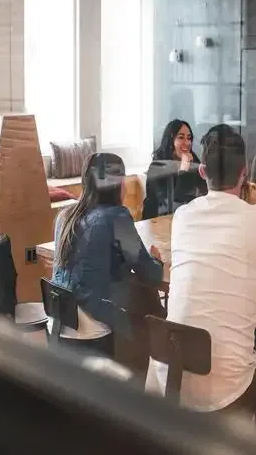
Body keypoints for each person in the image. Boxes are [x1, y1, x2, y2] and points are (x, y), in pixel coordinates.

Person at [147, 124, 256, 428]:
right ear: (244, 173)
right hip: (224, 390)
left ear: (202, 171)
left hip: (167, 377)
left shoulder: (183, 216)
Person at [52, 153, 164, 360]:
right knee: (147, 312)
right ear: (119, 184)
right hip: (92, 328)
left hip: (59, 323)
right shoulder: (116, 218)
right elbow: (151, 274)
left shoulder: (65, 216)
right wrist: (156, 259)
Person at [142, 120, 208, 219]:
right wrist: (184, 169)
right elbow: (174, 204)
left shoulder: (193, 161)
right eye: (181, 137)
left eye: (189, 138)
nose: (187, 142)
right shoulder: (157, 167)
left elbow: (205, 193)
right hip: (158, 221)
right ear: (170, 141)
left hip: (185, 219)